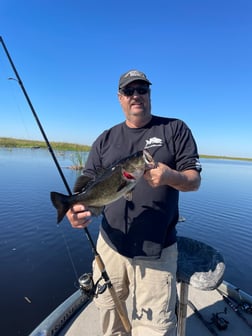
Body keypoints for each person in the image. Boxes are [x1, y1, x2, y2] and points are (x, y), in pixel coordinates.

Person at [66, 69, 201, 336]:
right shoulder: (105, 138)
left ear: (149, 94)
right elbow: (89, 182)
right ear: (120, 98)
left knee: (154, 329)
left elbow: (193, 180)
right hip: (110, 245)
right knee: (109, 315)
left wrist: (171, 176)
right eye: (129, 91)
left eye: (142, 90)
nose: (136, 95)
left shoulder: (175, 129)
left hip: (157, 249)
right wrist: (78, 209)